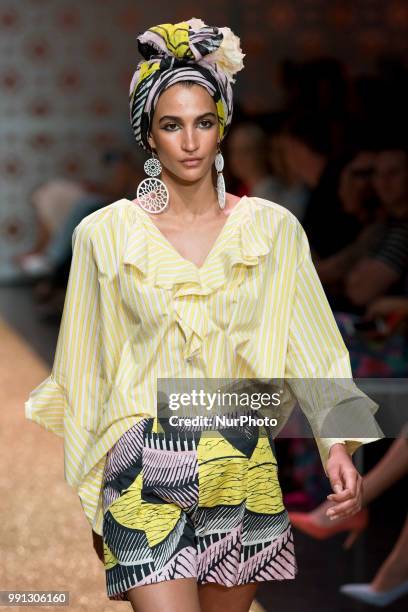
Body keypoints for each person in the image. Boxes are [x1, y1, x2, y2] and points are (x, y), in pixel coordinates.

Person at [24, 18, 384, 611]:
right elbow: (84, 368)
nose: (190, 141)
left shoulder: (271, 230)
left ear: (222, 127)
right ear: (149, 134)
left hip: (241, 461)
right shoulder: (105, 235)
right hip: (140, 465)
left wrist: (336, 446)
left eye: (203, 122)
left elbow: (314, 347)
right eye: (171, 124)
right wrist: (97, 494)